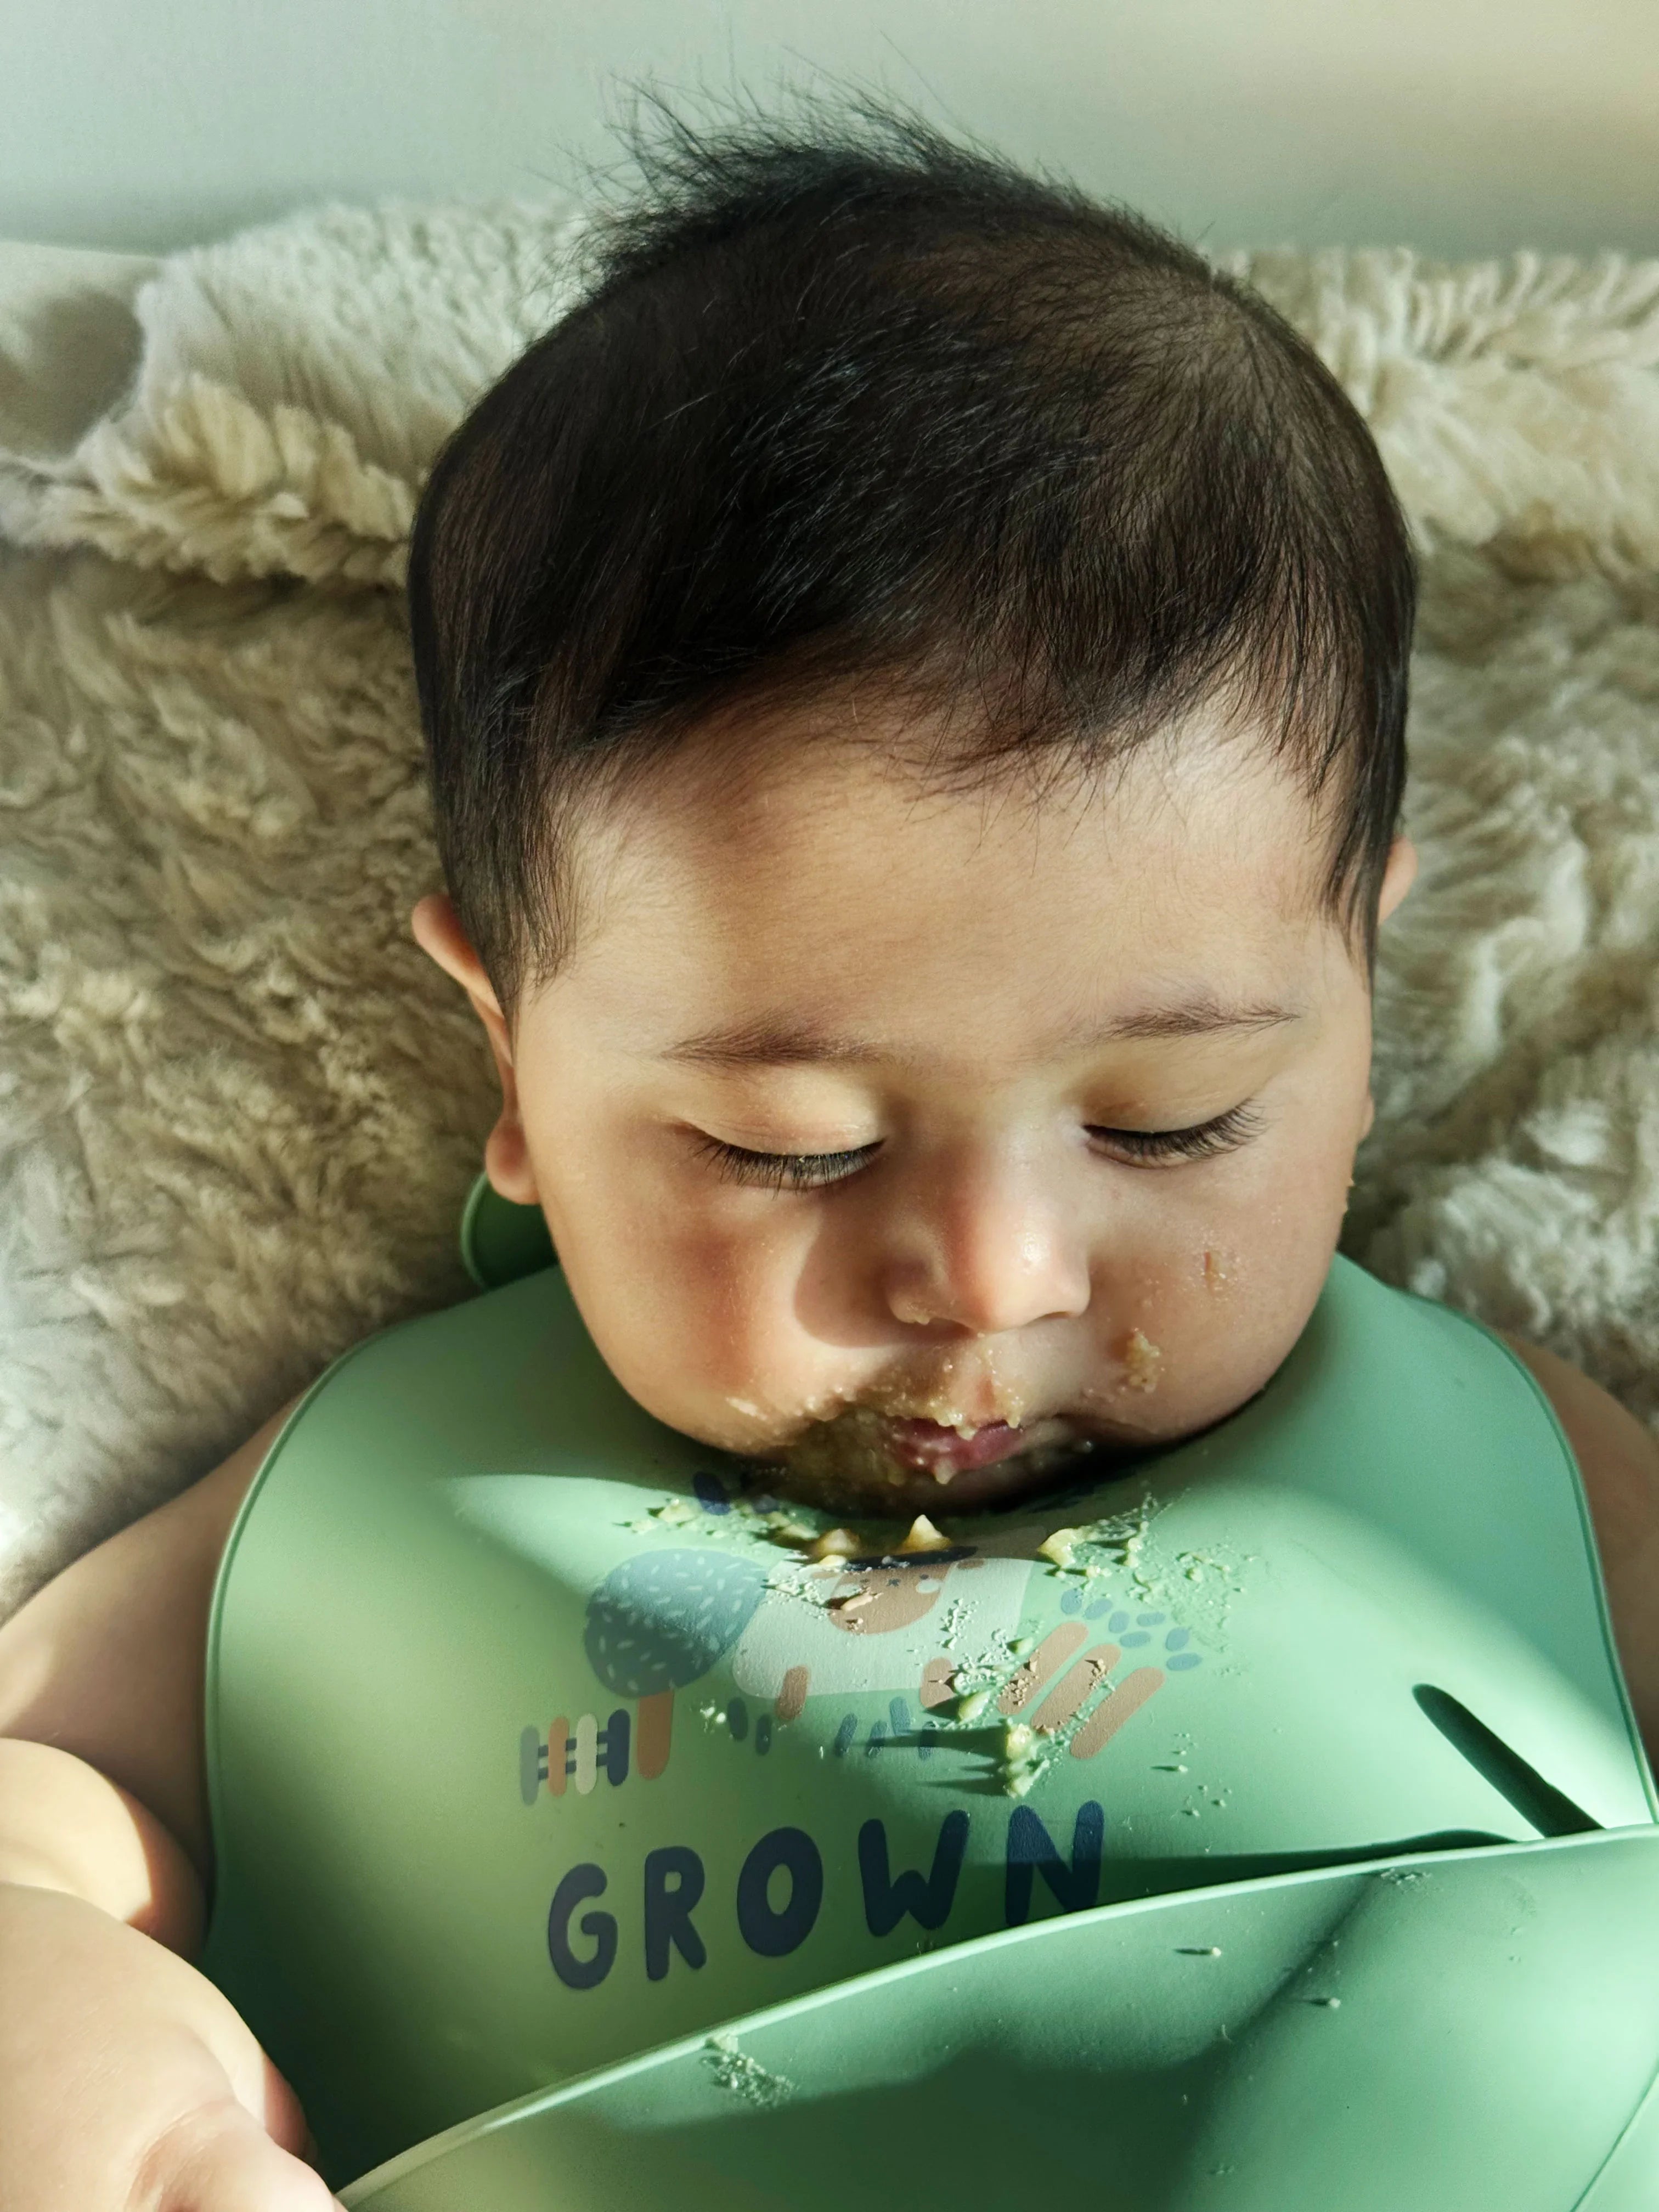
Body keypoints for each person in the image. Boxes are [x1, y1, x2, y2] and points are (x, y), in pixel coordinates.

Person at [3, 104, 1657, 2210]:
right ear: (513, 1049)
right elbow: (39, 1780)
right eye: (786, 1148)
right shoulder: (356, 1495)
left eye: (1173, 1121)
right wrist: (73, 2042)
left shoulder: (1517, 1462)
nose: (992, 1269)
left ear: (1360, 998)